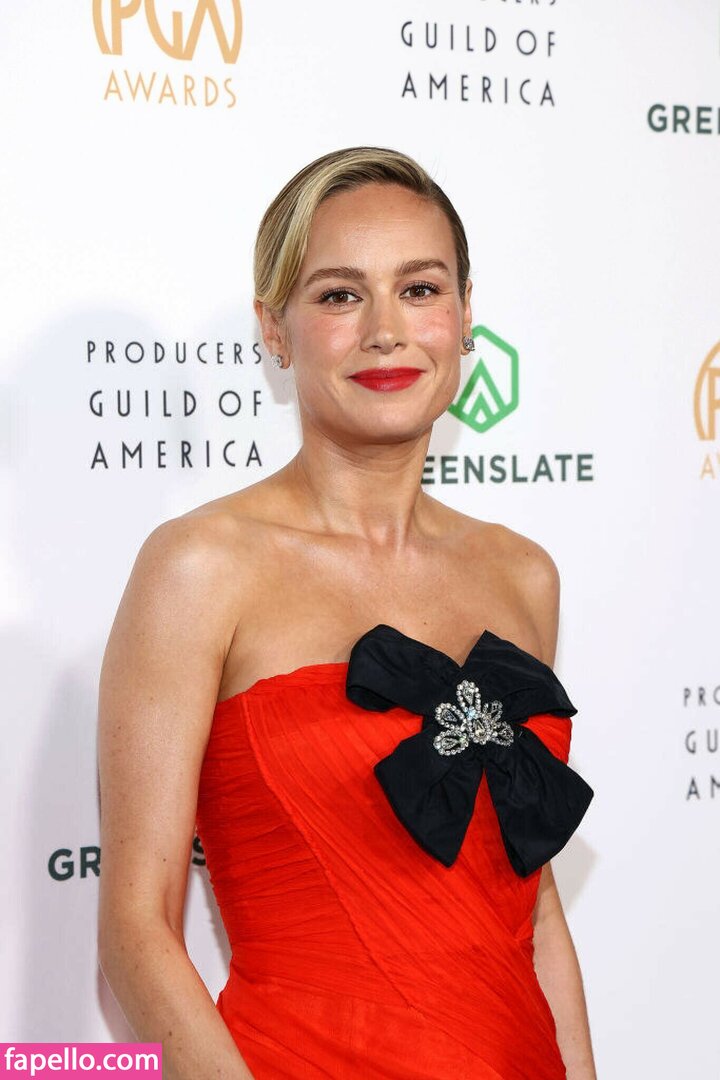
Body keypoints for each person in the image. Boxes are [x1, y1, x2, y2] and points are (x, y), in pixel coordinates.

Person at [97, 146, 597, 1080]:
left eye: (420, 289)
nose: (385, 332)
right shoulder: (200, 568)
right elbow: (137, 928)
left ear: (465, 315)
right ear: (275, 329)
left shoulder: (522, 575)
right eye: (339, 295)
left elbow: (532, 909)